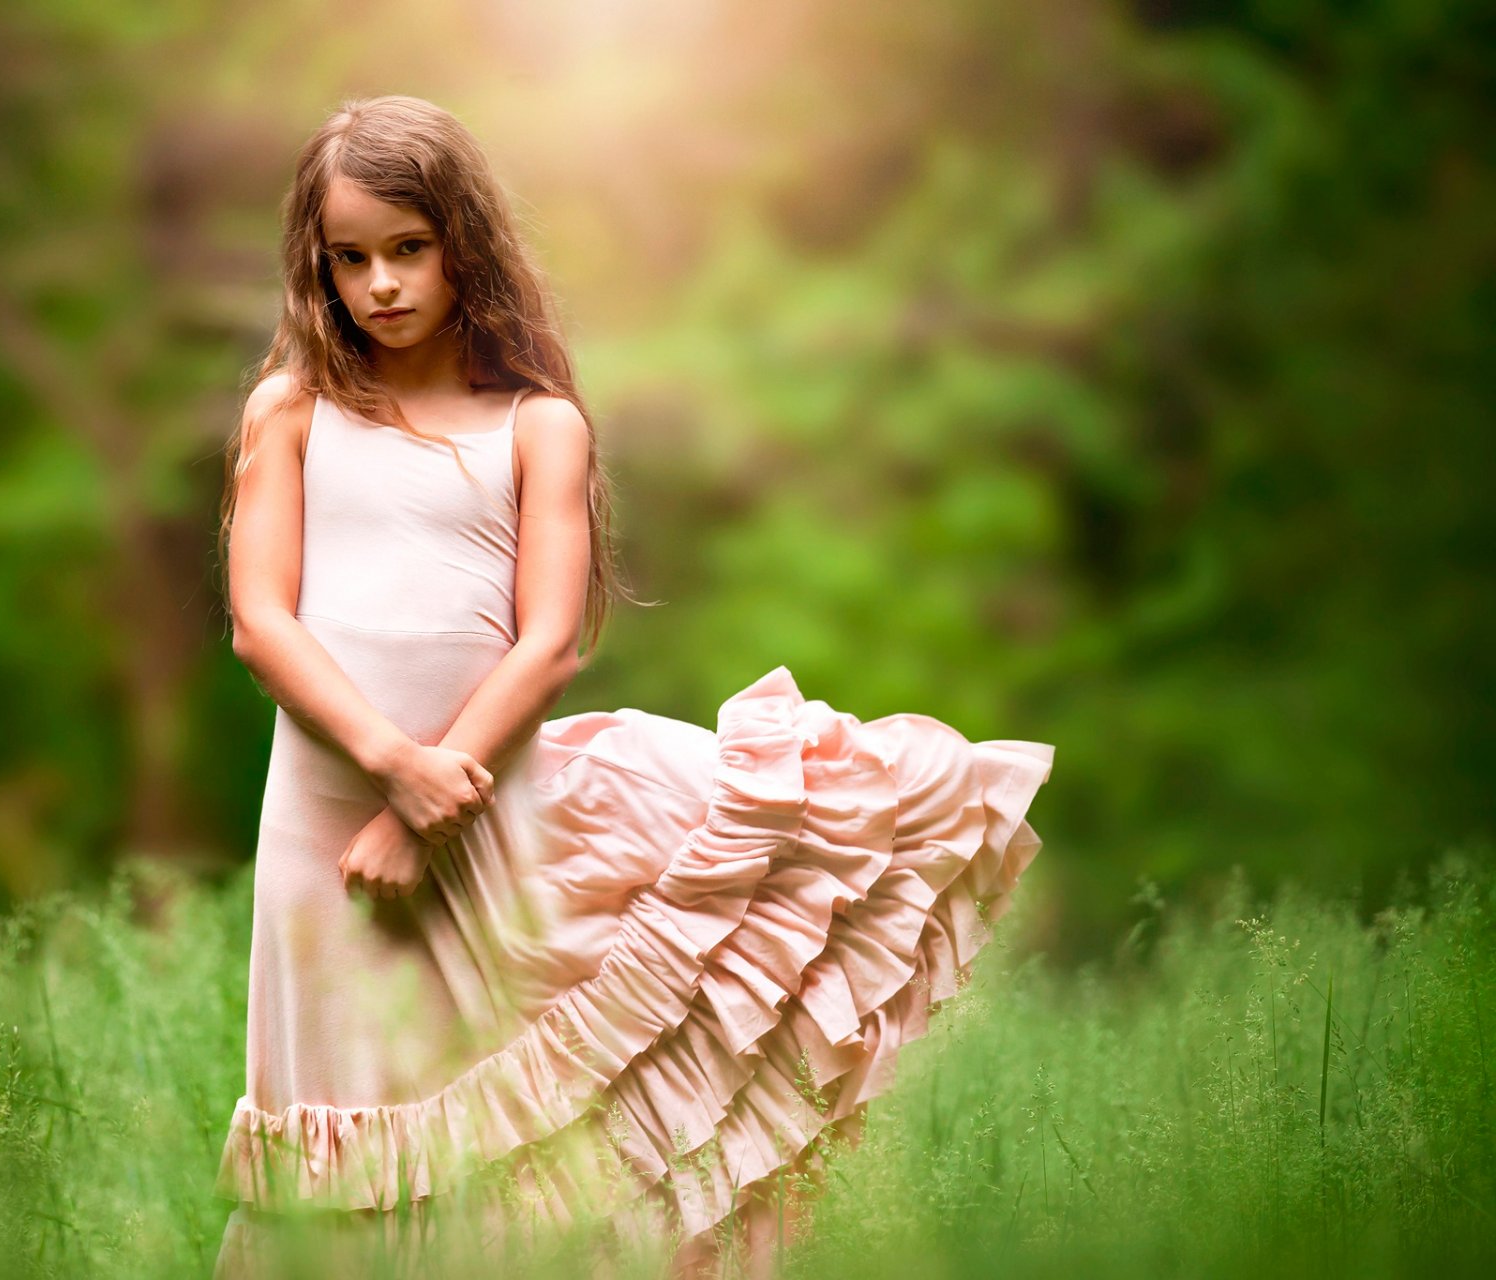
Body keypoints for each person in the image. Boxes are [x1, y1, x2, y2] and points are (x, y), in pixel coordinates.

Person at [211, 94, 1054, 1279]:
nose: (382, 284)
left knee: (486, 1103)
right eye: (348, 260)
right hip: (324, 807)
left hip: (474, 801)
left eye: (408, 248)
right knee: (335, 1100)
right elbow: (262, 620)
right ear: (318, 268)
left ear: (463, 242)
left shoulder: (536, 424)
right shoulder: (292, 412)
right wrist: (392, 769)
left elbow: (549, 641)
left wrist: (428, 798)